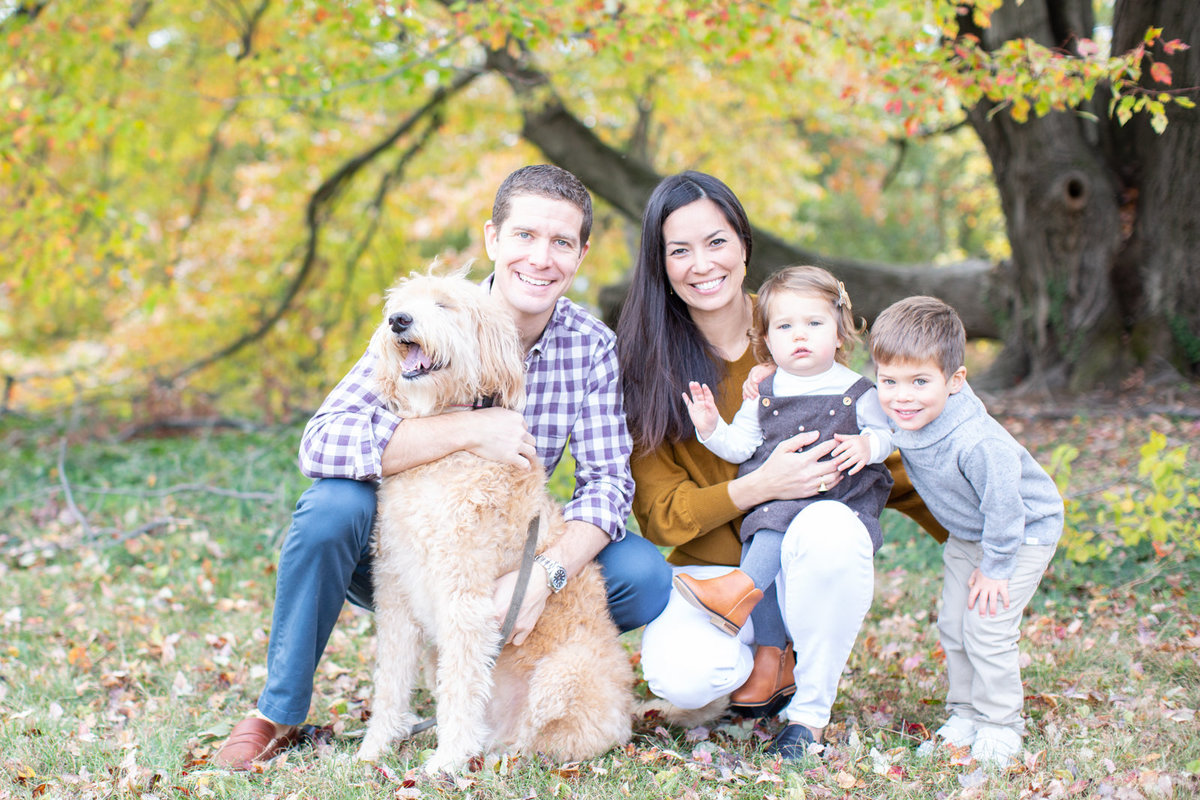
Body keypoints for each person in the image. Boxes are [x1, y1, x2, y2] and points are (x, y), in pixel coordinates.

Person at [213, 164, 672, 770]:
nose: (541, 258)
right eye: (525, 236)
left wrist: (543, 576)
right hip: (399, 551)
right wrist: (468, 428)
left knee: (641, 571)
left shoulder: (588, 344)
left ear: (581, 254)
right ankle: (278, 711)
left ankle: (506, 679)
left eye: (561, 242)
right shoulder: (427, 316)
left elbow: (609, 483)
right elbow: (320, 442)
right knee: (332, 505)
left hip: (493, 549)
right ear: (492, 240)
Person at [616, 171, 947, 760]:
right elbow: (662, 518)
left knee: (829, 527)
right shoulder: (646, 366)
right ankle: (768, 655)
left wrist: (974, 540)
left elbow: (887, 456)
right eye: (680, 250)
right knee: (681, 677)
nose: (701, 264)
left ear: (744, 244)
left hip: (806, 562)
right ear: (660, 263)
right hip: (716, 579)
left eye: (717, 241)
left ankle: (806, 703)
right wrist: (759, 486)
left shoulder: (802, 334)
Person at [675, 266, 894, 686]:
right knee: (763, 542)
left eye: (814, 323)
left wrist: (868, 447)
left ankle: (737, 594)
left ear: (839, 333)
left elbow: (888, 435)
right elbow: (741, 444)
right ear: (767, 339)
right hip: (777, 501)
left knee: (771, 536)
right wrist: (710, 428)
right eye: (785, 325)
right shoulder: (765, 390)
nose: (800, 335)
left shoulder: (858, 389)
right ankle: (770, 655)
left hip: (838, 499)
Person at [870, 296, 1061, 767]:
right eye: (889, 381)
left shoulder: (978, 443)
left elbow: (1005, 508)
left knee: (987, 627)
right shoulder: (908, 413)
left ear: (955, 381)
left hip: (1020, 531)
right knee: (954, 623)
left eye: (919, 381)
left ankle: (1000, 724)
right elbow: (871, 416)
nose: (902, 396)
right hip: (968, 534)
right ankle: (965, 713)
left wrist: (996, 568)